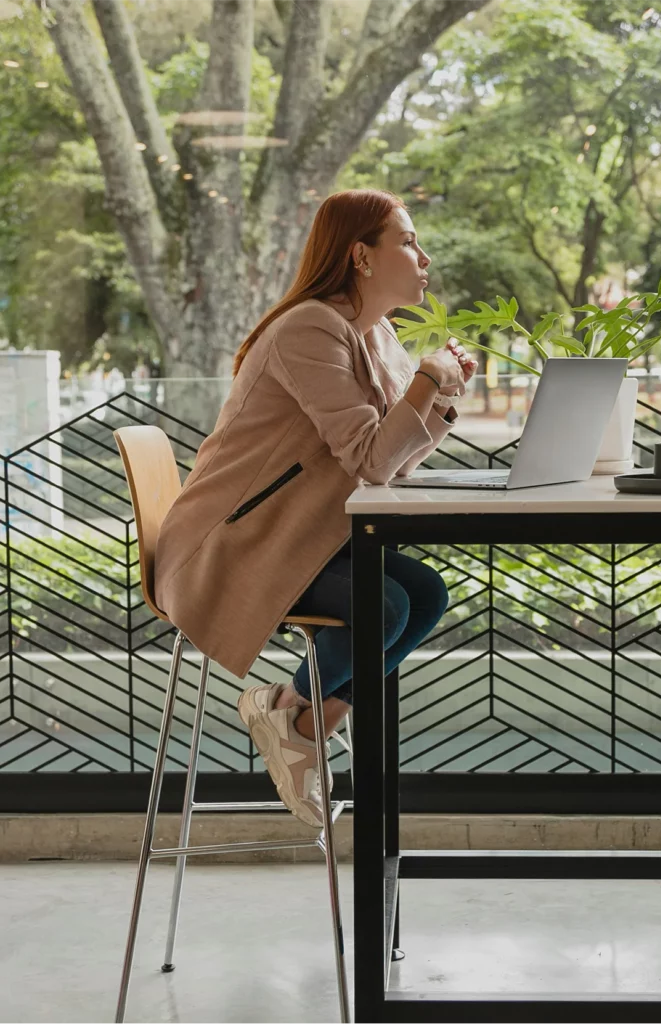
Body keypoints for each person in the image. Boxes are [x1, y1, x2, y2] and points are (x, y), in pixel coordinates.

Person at [154, 188, 477, 829]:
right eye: (407, 241)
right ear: (360, 255)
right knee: (385, 606)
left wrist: (437, 398)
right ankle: (294, 719)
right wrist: (427, 380)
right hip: (239, 539)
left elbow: (396, 460)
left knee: (426, 594)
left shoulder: (376, 334)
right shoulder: (309, 328)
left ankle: (296, 722)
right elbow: (371, 459)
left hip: (306, 532)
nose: (424, 255)